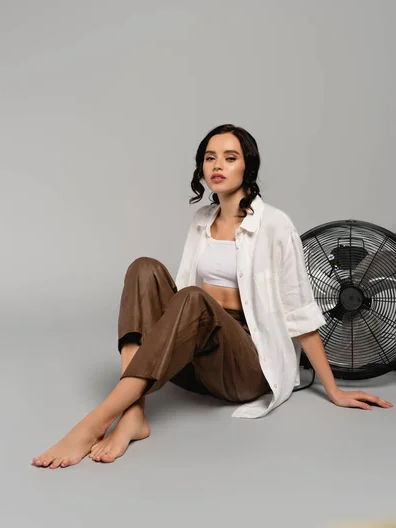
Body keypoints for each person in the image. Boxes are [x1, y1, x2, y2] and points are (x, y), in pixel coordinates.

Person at [32, 124, 393, 469]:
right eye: (210, 157)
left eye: (230, 157)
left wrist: (334, 390)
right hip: (197, 357)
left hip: (246, 367)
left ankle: (97, 419)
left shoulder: (275, 226)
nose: (218, 165)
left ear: (248, 166)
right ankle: (133, 413)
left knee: (193, 298)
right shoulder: (202, 220)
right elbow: (180, 297)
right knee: (143, 267)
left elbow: (298, 311)